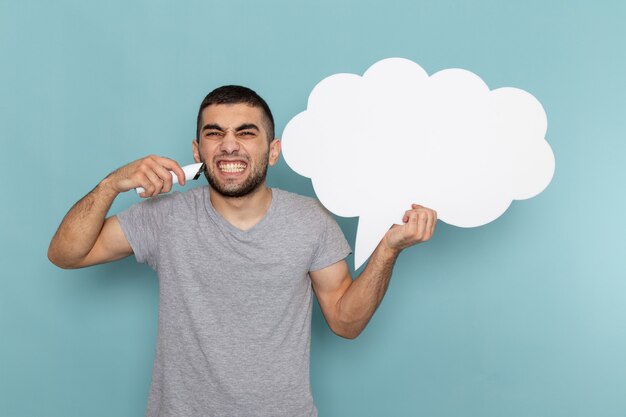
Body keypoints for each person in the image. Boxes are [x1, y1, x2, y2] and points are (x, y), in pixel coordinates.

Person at [48, 85, 437, 417]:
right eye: (215, 134)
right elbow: (66, 254)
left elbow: (345, 322)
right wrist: (112, 183)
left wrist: (388, 249)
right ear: (198, 151)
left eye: (246, 132)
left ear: (273, 150)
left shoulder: (310, 221)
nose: (229, 144)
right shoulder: (164, 219)